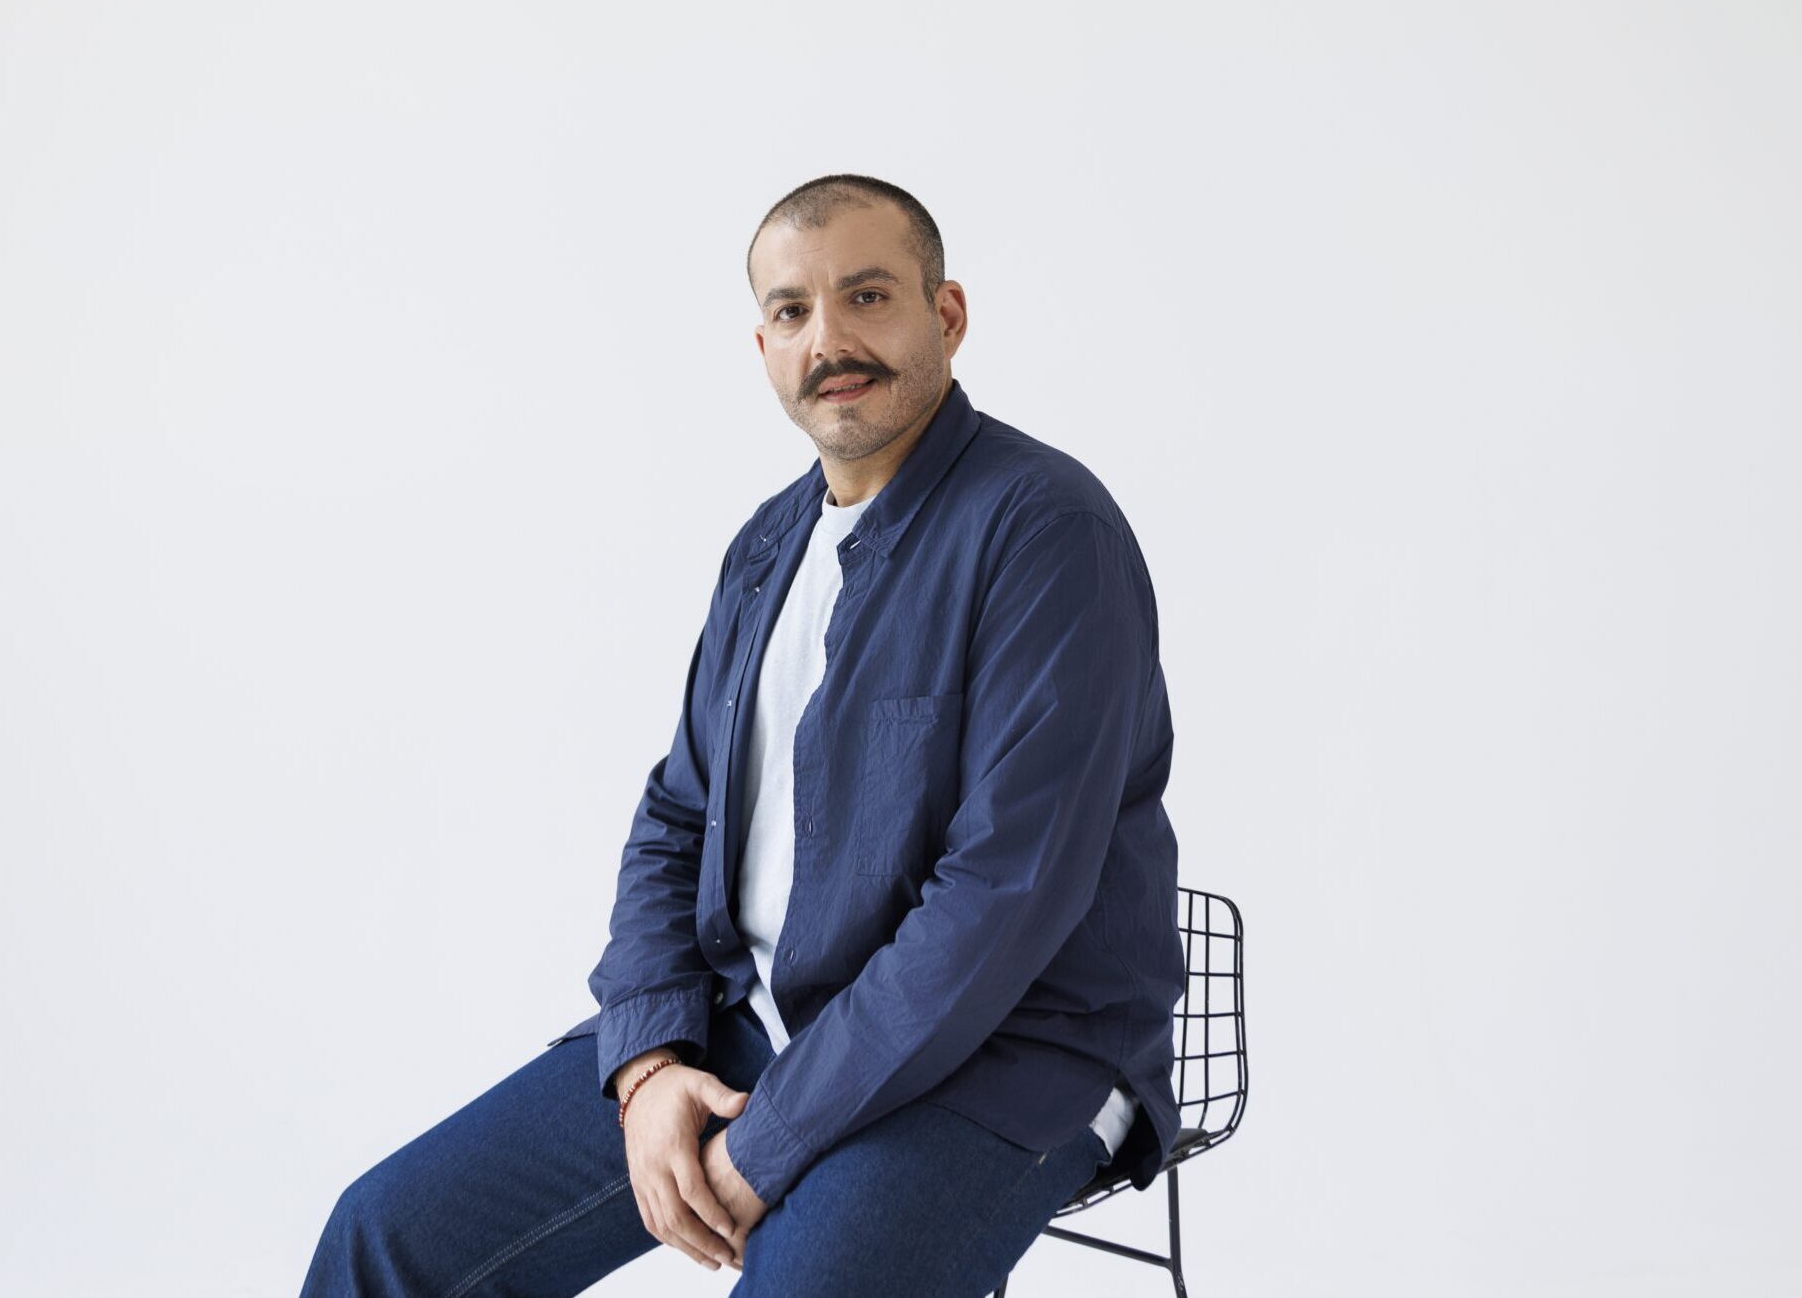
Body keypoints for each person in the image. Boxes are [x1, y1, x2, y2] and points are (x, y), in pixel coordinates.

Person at [299, 174, 1184, 1297]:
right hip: (752, 1022)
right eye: (791, 311)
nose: (829, 340)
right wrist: (648, 1060)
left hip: (1005, 1053)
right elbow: (677, 815)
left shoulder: (1046, 531)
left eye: (867, 296)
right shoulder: (767, 546)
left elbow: (999, 901)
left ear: (946, 314)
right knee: (385, 1236)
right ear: (763, 346)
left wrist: (769, 1139)